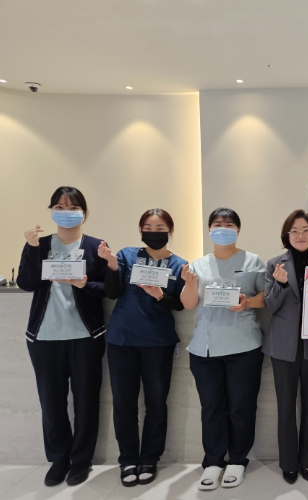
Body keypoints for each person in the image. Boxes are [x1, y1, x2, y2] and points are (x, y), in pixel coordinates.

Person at [17, 186, 108, 487]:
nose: (66, 211)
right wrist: (31, 248)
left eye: (72, 207)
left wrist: (84, 285)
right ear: (51, 211)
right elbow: (27, 283)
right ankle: (59, 459)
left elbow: (107, 290)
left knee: (86, 401)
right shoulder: (40, 244)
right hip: (44, 338)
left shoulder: (96, 246)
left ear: (84, 212)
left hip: (85, 337)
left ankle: (81, 460)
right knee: (52, 402)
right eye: (59, 206)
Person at [98, 209, 187, 487]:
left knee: (156, 403)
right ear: (140, 230)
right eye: (148, 227)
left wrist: (160, 296)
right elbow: (112, 293)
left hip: (158, 342)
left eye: (160, 228)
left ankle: (149, 458)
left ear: (170, 231)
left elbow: (180, 304)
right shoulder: (126, 256)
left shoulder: (180, 264)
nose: (154, 232)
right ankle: (127, 459)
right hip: (122, 341)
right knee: (124, 403)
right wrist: (112, 265)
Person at [180, 208, 266, 491]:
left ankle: (238, 460)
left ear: (238, 230)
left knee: (241, 406)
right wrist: (189, 283)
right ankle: (214, 461)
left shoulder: (253, 261)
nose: (223, 229)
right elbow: (189, 303)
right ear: (209, 230)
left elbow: (265, 297)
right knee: (212, 407)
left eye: (229, 225)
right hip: (205, 348)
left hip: (244, 346)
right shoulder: (198, 264)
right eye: (217, 224)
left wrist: (247, 302)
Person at [263, 210, 308, 484]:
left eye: (305, 230)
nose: (300, 235)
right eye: (294, 231)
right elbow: (270, 305)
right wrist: (280, 284)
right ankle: (289, 463)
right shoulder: (274, 264)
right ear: (286, 235)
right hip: (283, 346)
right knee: (286, 407)